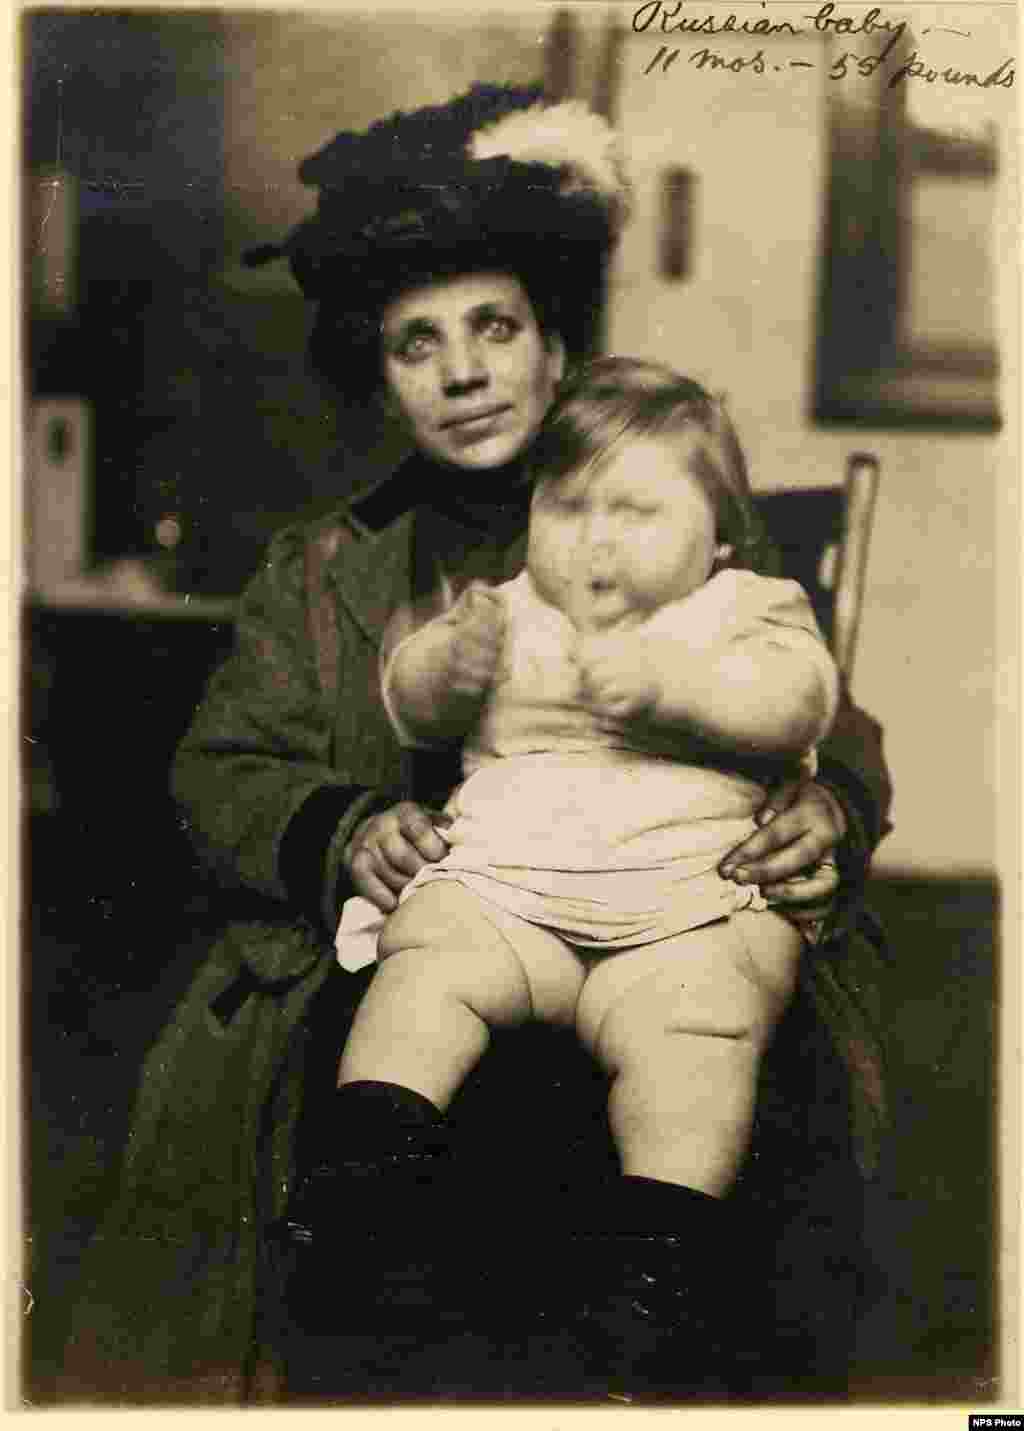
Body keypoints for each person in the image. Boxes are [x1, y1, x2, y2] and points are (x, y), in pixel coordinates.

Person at [58, 83, 892, 1405]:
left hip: (672, 926)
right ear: (376, 376)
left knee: (743, 1118)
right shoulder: (325, 569)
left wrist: (830, 805)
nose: (462, 372)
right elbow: (217, 772)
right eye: (415, 344)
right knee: (395, 1146)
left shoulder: (652, 515)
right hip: (435, 946)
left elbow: (813, 698)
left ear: (552, 343)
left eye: (493, 327)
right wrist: (344, 829)